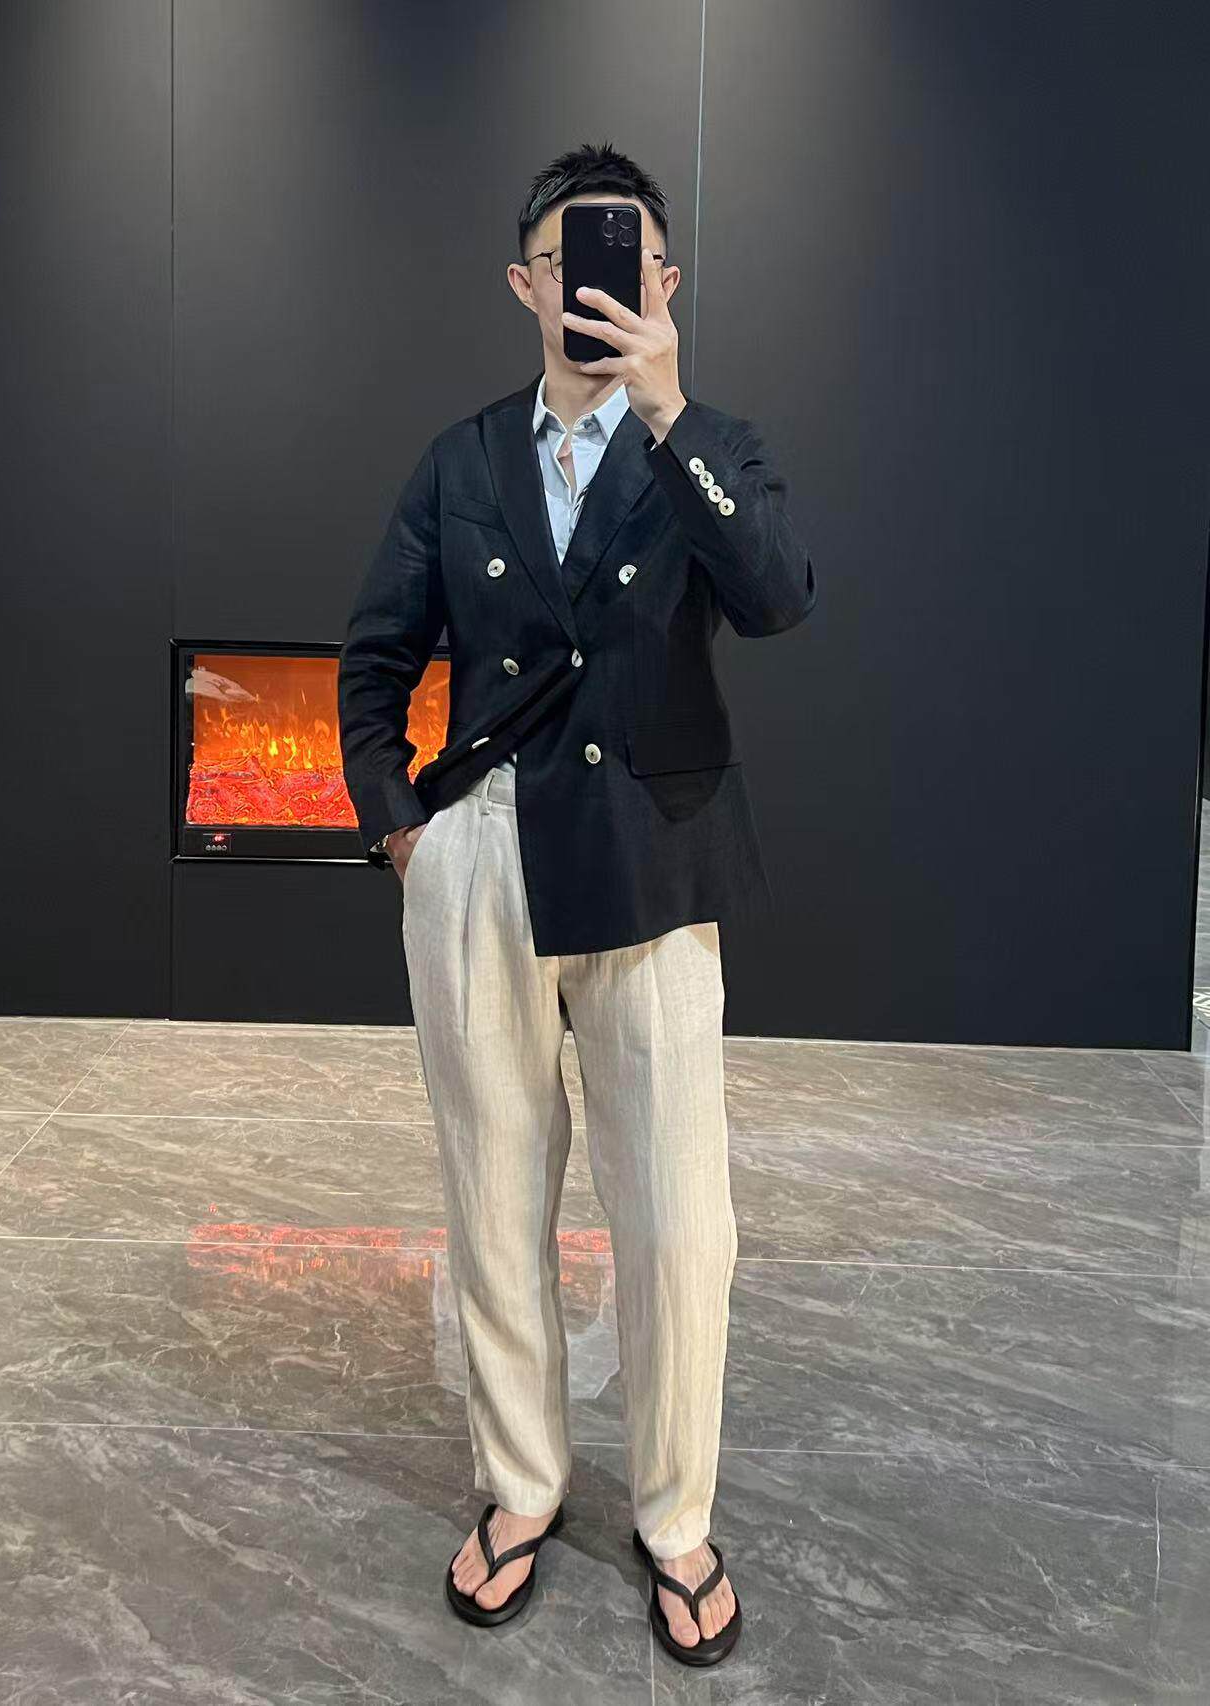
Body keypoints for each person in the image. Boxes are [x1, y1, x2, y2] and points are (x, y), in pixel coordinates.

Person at [337, 140, 815, 1666]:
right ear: (524, 284)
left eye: (626, 258)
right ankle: (522, 1482)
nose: (595, 283)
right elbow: (373, 654)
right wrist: (404, 828)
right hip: (482, 859)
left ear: (664, 282)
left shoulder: (705, 448)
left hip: (653, 865)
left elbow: (779, 591)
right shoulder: (462, 457)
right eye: (566, 258)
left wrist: (669, 411)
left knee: (679, 1220)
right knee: (493, 1194)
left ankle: (676, 1515)